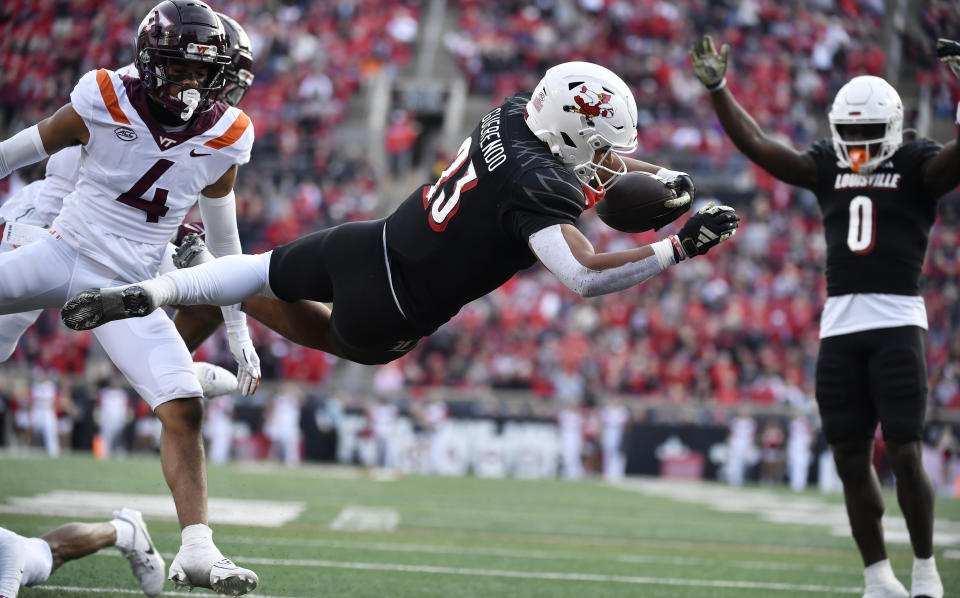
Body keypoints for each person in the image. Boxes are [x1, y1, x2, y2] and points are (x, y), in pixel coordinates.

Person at [61, 61, 740, 372]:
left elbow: (591, 158)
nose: (614, 160)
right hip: (393, 309)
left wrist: (666, 180)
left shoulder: (511, 113)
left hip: (366, 241)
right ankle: (190, 298)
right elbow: (584, 276)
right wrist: (675, 250)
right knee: (330, 337)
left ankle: (156, 289)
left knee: (257, 271)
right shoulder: (542, 190)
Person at [689, 35, 960, 598]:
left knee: (908, 452)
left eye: (868, 137)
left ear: (892, 127)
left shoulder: (917, 165)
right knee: (848, 455)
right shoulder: (828, 164)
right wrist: (718, 90)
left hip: (896, 320)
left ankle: (924, 576)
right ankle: (878, 582)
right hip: (839, 325)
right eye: (852, 136)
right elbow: (760, 146)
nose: (858, 149)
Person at [0, 1, 260, 597]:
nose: (191, 85)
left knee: (182, 405)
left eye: (202, 73)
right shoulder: (103, 95)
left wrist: (240, 333)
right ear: (149, 61)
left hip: (129, 290)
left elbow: (227, 244)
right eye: (179, 69)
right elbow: (18, 152)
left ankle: (197, 546)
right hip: (63, 247)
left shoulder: (228, 133)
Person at [0, 10, 258, 399]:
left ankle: (173, 373)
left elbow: (185, 209)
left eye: (206, 75)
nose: (201, 87)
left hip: (122, 247)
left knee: (210, 283)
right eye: (192, 71)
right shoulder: (121, 97)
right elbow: (108, 177)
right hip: (52, 225)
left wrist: (239, 328)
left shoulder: (207, 125)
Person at [0, 508, 165, 598]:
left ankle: (123, 531)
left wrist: (5, 593)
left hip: (11, 559)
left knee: (51, 551)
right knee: (49, 549)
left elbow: (11, 544)